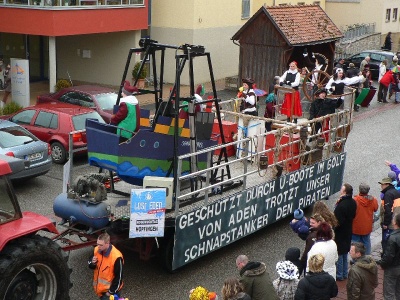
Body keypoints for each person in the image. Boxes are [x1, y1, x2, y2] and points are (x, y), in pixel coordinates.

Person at [88, 233, 124, 299]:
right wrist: (92, 263)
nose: (98, 246)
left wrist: (110, 292)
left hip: (110, 293)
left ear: (107, 243)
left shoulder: (116, 257)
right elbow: (90, 264)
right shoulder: (96, 249)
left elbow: (119, 278)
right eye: (97, 244)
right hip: (100, 292)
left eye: (101, 245)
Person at [334, 183, 357, 281]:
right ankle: (344, 272)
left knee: (339, 253)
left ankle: (340, 274)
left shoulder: (342, 206)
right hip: (348, 230)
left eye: (341, 190)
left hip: (340, 233)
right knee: (344, 253)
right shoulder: (353, 202)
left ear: (345, 192)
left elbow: (337, 222)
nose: (340, 191)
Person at [351, 183, 378, 255]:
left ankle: (356, 259)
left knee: (355, 243)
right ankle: (367, 257)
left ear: (359, 190)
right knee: (366, 242)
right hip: (367, 226)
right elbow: (376, 209)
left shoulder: (355, 200)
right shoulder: (373, 200)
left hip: (356, 226)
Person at [379, 213, 400, 299]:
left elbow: (388, 256)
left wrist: (382, 264)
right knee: (398, 291)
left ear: (395, 223)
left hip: (393, 267)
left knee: (389, 293)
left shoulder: (392, 238)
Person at [379, 176, 400, 251]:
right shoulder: (395, 192)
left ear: (387, 184)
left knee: (386, 243)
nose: (381, 186)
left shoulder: (388, 194)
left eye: (382, 184)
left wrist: (385, 224)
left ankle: (385, 258)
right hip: (396, 221)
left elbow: (388, 211)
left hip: (390, 224)